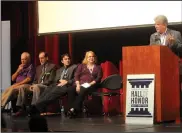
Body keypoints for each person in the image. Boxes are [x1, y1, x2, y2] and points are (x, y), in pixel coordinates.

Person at [150, 15, 182, 117]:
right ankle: (161, 112)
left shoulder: (175, 34)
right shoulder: (153, 36)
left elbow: (180, 50)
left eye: (158, 24)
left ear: (165, 25)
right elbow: (150, 51)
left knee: (174, 92)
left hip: (173, 68)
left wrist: (175, 43)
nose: (156, 26)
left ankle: (176, 113)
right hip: (158, 68)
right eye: (155, 24)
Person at [15, 51, 56, 116]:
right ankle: (22, 108)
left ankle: (36, 108)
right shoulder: (38, 68)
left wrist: (36, 85)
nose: (40, 60)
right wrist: (33, 84)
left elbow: (51, 80)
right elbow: (35, 80)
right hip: (36, 85)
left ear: (47, 58)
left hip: (46, 86)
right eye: (39, 58)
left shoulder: (52, 66)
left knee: (36, 87)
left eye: (42, 58)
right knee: (22, 87)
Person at [67, 51, 103, 118]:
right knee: (70, 89)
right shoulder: (81, 66)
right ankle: (71, 109)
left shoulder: (98, 67)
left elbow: (98, 78)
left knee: (83, 89)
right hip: (80, 84)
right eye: (89, 56)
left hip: (91, 85)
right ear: (86, 58)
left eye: (93, 56)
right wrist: (77, 85)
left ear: (95, 58)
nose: (91, 58)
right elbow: (76, 76)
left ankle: (73, 109)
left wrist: (90, 84)